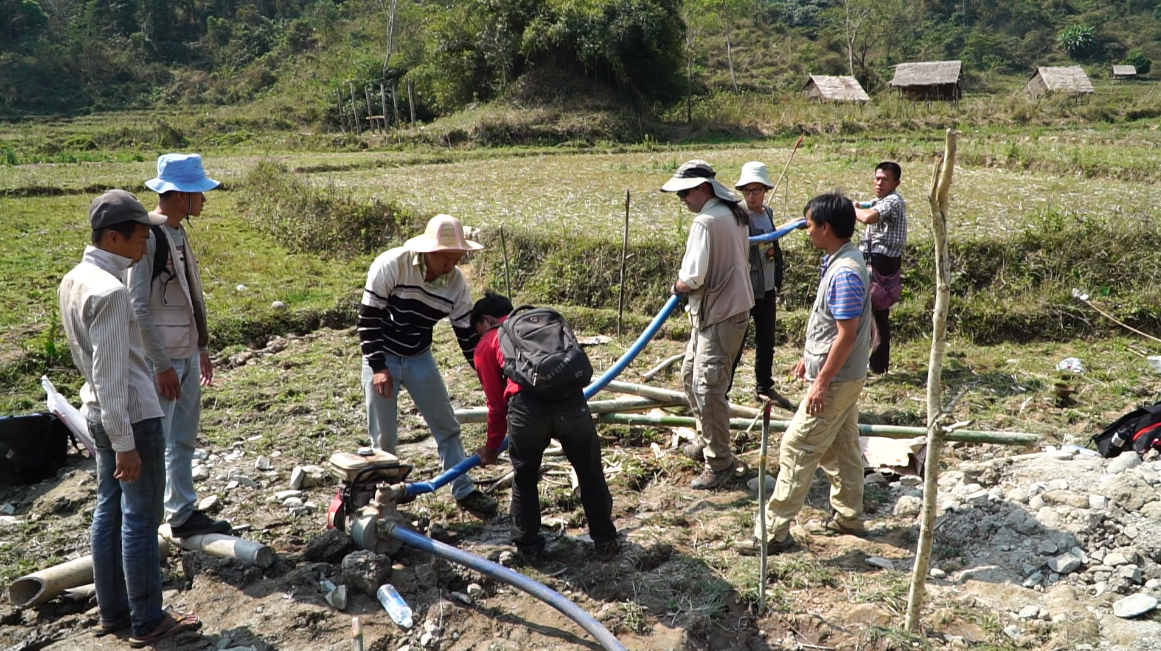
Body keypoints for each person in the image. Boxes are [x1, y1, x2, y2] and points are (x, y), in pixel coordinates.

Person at [59, 190, 201, 645]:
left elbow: (93, 372)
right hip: (131, 418)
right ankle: (147, 619)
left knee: (109, 508)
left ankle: (114, 612)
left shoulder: (74, 279)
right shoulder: (112, 292)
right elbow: (111, 373)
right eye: (140, 238)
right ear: (114, 238)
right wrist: (126, 443)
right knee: (141, 517)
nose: (145, 248)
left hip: (98, 412)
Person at [737, 193, 872, 555]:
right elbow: (841, 328)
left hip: (839, 378)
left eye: (810, 225)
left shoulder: (844, 272)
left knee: (797, 445)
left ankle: (773, 533)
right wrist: (809, 359)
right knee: (842, 445)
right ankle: (848, 515)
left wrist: (821, 381)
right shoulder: (844, 258)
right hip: (846, 374)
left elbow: (847, 334)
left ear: (826, 227)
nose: (807, 231)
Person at [358, 214, 498, 516]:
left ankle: (464, 491)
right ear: (429, 252)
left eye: (457, 258)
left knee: (447, 426)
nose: (451, 264)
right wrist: (378, 367)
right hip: (383, 354)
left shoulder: (456, 284)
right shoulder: (392, 264)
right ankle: (385, 498)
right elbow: (368, 319)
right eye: (446, 257)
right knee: (383, 436)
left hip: (419, 356)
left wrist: (487, 374)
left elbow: (465, 334)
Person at [126, 153, 230, 538]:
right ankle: (148, 524)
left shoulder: (178, 233)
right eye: (198, 194)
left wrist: (201, 346)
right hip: (165, 358)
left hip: (185, 350)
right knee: (158, 440)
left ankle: (182, 511)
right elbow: (138, 304)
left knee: (183, 435)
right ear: (180, 195)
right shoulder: (148, 236)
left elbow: (191, 294)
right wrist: (160, 364)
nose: (203, 200)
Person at [469, 291, 619, 558]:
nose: (479, 335)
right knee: (590, 472)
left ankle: (529, 548)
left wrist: (491, 447)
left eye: (478, 329)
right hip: (572, 404)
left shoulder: (487, 344)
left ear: (486, 319)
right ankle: (606, 540)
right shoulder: (541, 327)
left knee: (525, 478)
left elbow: (496, 405)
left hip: (527, 412)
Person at [662, 160, 754, 490]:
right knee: (690, 374)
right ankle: (706, 439)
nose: (682, 199)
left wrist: (676, 286)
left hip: (720, 313)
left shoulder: (706, 222)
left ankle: (719, 462)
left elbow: (691, 278)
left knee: (708, 387)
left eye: (685, 193)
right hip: (723, 311)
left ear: (704, 188)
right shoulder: (733, 212)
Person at [732, 161, 794, 409]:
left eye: (756, 190)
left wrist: (787, 227)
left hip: (767, 286)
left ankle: (764, 387)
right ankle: (722, 390)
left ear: (765, 190)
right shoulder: (739, 215)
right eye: (747, 191)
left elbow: (771, 241)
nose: (751, 196)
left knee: (766, 339)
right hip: (747, 287)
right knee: (736, 342)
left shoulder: (767, 212)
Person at [854, 162, 906, 375]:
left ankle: (873, 364)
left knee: (873, 312)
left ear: (896, 183)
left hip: (881, 262)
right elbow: (869, 208)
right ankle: (876, 364)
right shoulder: (881, 201)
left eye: (884, 179)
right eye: (877, 178)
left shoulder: (893, 201)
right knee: (875, 313)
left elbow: (867, 217)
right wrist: (859, 205)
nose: (879, 182)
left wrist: (851, 208)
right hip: (875, 259)